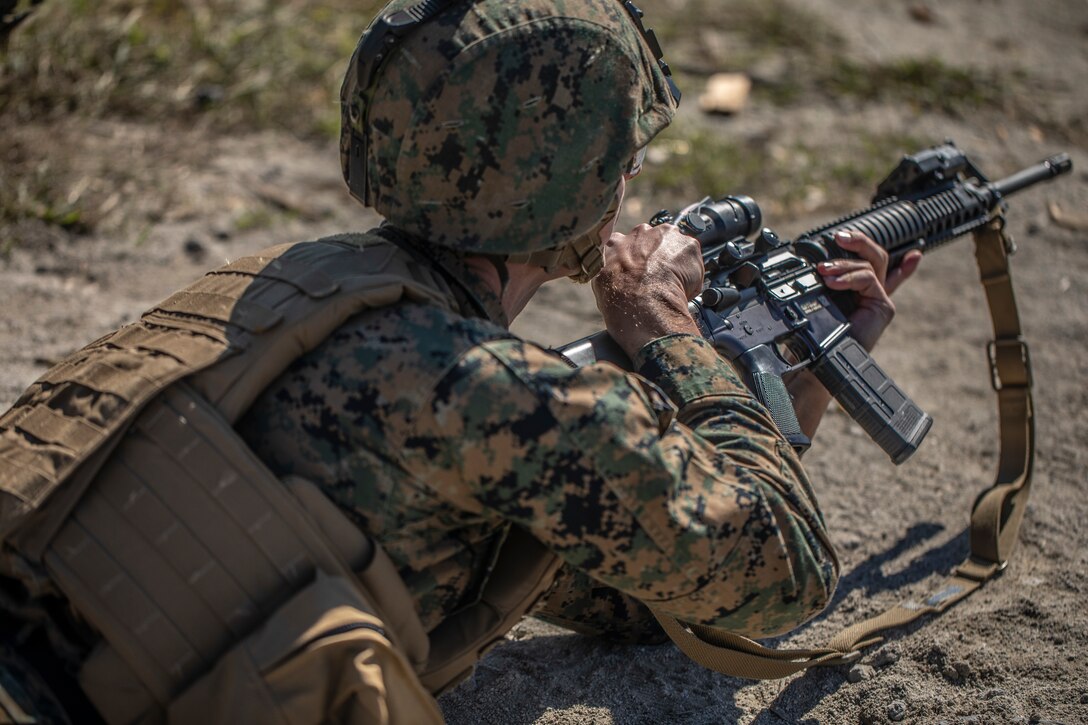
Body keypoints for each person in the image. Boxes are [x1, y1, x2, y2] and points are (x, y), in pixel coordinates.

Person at [0, 0, 920, 721]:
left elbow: (645, 586)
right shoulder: (502, 402)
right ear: (568, 178)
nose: (631, 174)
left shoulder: (276, 287)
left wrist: (785, 375)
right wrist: (665, 326)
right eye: (621, 153)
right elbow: (782, 573)